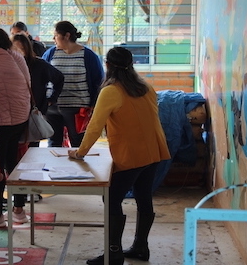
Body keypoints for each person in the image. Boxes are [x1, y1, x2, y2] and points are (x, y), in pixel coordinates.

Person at [67, 47, 170, 265]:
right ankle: (141, 247)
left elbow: (95, 126)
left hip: (131, 154)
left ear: (108, 65)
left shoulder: (111, 90)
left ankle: (113, 252)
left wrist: (80, 152)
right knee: (143, 197)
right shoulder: (145, 86)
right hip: (153, 150)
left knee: (111, 197)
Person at [0, 28, 31, 228]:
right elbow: (28, 83)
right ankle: (19, 210)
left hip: (0, 122)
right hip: (21, 117)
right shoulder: (17, 57)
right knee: (14, 163)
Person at [42, 21, 104, 148]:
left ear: (67, 36)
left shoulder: (88, 56)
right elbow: (42, 76)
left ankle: (78, 168)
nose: (53, 39)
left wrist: (93, 105)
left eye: (56, 35)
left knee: (78, 144)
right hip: (52, 108)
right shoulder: (51, 53)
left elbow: (99, 82)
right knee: (54, 143)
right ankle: (56, 168)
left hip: (77, 109)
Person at [11, 32, 64, 146]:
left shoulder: (39, 64)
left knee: (32, 147)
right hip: (13, 113)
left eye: (21, 48)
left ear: (28, 49)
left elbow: (59, 78)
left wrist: (52, 99)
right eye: (14, 49)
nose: (18, 52)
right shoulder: (7, 65)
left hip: (33, 113)